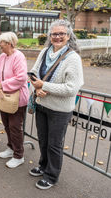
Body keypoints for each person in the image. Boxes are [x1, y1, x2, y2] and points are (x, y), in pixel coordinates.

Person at [29, 19, 84, 190]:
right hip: (42, 104)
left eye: (61, 34)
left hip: (60, 110)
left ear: (68, 36)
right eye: (54, 34)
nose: (57, 37)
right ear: (49, 36)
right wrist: (37, 89)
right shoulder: (45, 51)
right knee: (43, 140)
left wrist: (43, 86)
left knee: (54, 144)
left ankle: (51, 176)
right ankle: (43, 166)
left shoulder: (73, 58)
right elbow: (33, 73)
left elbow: (72, 88)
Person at [0, 32, 29, 168]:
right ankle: (11, 147)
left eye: (1, 42)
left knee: (14, 127)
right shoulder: (2, 56)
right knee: (7, 125)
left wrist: (3, 85)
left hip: (17, 99)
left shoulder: (18, 56)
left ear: (9, 43)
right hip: (3, 97)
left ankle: (19, 155)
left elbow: (21, 77)